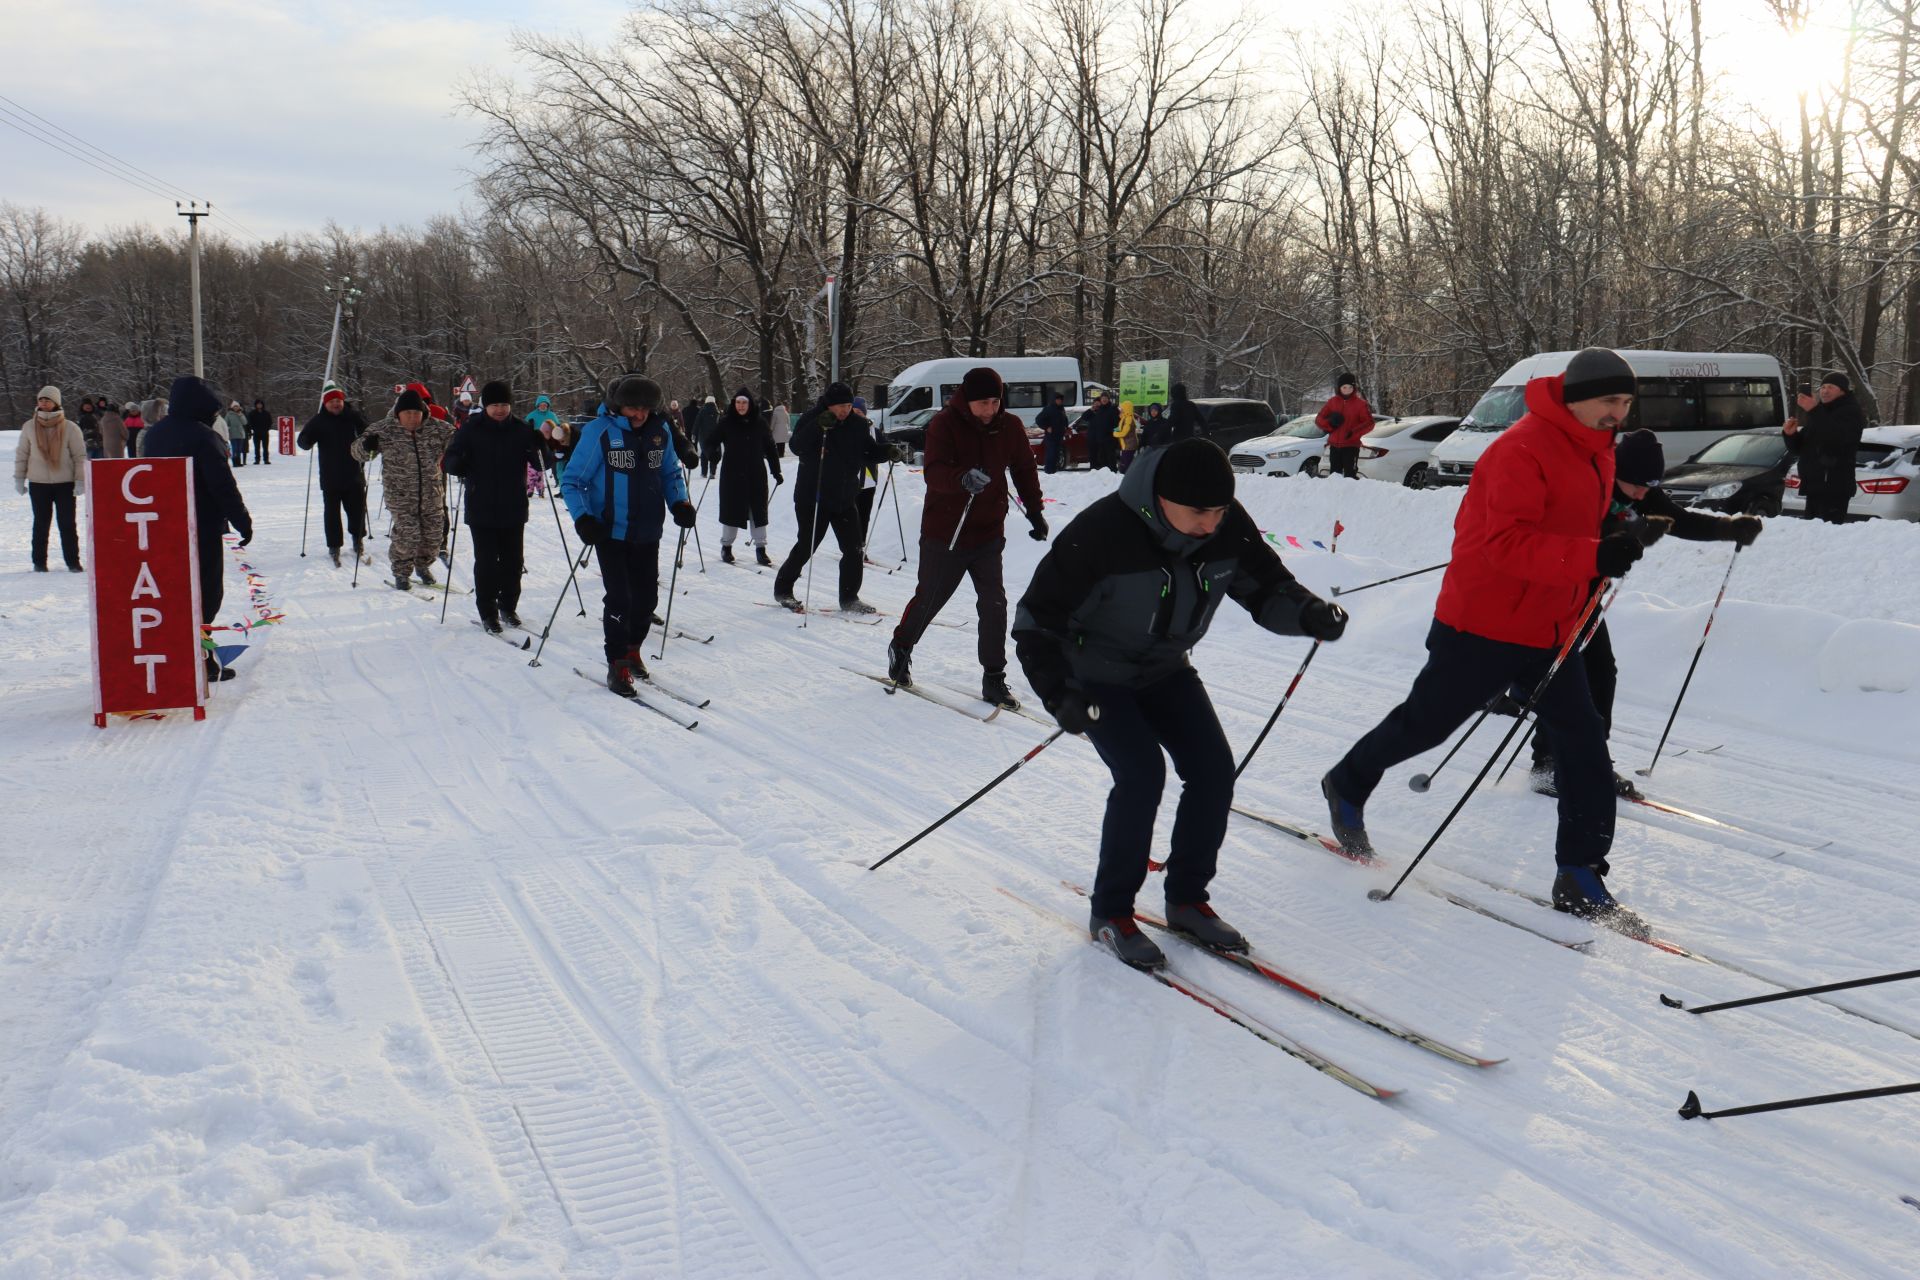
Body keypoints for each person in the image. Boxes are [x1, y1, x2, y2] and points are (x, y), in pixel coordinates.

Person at [1319, 348, 1670, 937]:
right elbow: (1500, 545)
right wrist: (1593, 554)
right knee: (1425, 726)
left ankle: (1579, 874)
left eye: (1627, 403)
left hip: (1553, 627)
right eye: (1611, 401)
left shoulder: (1598, 450)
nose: (1619, 414)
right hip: (1482, 623)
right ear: (1575, 397)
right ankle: (1348, 781)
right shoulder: (1520, 450)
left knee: (1583, 744)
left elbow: (1576, 525)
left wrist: (1619, 535)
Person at [1013, 438, 1346, 969]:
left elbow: (1268, 589)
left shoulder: (1225, 524)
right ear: (1160, 499)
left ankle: (1187, 898)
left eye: (1219, 510)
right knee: (1142, 774)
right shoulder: (1102, 534)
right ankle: (1111, 913)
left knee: (1214, 771)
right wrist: (1059, 692)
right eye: (1199, 512)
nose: (1212, 523)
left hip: (1165, 668)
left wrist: (1307, 614)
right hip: (1095, 674)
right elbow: (1037, 621)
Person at [1522, 429, 1764, 795]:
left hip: (1587, 596)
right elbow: (1577, 532)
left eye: (1648, 488)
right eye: (1634, 486)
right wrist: (1630, 530)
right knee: (1568, 676)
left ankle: (1588, 759)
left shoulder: (1645, 489)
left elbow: (1677, 519)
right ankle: (1549, 764)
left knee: (1600, 674)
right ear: (1616, 471)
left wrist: (1727, 528)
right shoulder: (1592, 486)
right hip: (1552, 592)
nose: (1640, 494)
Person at [888, 367, 1046, 709]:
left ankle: (994, 678)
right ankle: (901, 646)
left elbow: (1023, 468)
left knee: (994, 604)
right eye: (982, 403)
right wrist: (961, 479)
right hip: (947, 530)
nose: (990, 409)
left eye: (995, 401)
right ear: (967, 400)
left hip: (988, 530)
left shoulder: (1010, 426)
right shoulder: (945, 424)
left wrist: (1034, 511)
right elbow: (933, 471)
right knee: (931, 597)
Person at [561, 375, 696, 696]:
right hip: (610, 532)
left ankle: (634, 647)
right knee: (620, 597)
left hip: (648, 530)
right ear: (618, 406)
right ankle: (617, 662)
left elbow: (670, 473)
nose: (639, 415)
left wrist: (679, 502)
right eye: (632, 408)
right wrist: (584, 519)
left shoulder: (659, 432)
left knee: (647, 599)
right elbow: (572, 481)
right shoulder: (600, 433)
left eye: (645, 409)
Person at [137, 376, 254, 681]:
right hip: (200, 528)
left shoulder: (154, 435)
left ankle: (178, 657)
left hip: (162, 528)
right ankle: (199, 661)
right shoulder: (204, 436)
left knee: (175, 595)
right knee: (206, 595)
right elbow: (222, 485)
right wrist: (241, 520)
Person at [773, 382, 896, 614]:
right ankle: (783, 589)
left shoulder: (858, 425)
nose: (845, 410)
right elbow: (796, 446)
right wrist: (819, 426)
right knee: (807, 545)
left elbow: (868, 450)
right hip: (814, 496)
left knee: (854, 548)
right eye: (841, 406)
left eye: (849, 405)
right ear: (830, 404)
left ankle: (849, 597)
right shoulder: (813, 418)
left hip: (844, 497)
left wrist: (886, 451)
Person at [444, 381, 547, 633]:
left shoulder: (521, 429)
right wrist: (457, 463)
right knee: (487, 563)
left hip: (513, 506)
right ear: (485, 406)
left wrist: (539, 444)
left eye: (504, 404)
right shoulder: (471, 429)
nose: (500, 409)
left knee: (513, 562)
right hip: (481, 506)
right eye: (494, 405)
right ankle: (488, 612)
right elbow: (449, 459)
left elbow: (542, 465)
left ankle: (508, 606)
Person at [351, 388, 455, 590]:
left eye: (416, 413)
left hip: (431, 493)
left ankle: (423, 565)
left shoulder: (438, 428)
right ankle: (401, 572)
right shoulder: (383, 429)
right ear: (398, 413)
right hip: (400, 494)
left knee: (434, 535)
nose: (412, 417)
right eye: (407, 413)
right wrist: (366, 446)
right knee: (409, 534)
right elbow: (357, 454)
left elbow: (461, 441)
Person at [13, 386, 88, 572]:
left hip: (65, 483)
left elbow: (79, 456)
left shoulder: (70, 428)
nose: (43, 403)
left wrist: (80, 480)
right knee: (41, 523)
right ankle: (39, 562)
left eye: (47, 400)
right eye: (41, 400)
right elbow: (22, 454)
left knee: (67, 524)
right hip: (38, 483)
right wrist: (19, 477)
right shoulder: (29, 427)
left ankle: (73, 562)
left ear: (56, 403)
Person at [297, 383, 371, 568]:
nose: (336, 404)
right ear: (326, 403)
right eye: (332, 401)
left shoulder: (353, 417)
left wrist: (370, 442)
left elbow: (369, 432)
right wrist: (305, 441)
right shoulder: (319, 420)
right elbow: (304, 440)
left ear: (343, 401)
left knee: (357, 509)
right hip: (330, 475)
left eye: (338, 400)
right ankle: (334, 545)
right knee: (331, 513)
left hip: (354, 472)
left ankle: (358, 539)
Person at [713, 387, 782, 565]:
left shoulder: (760, 423)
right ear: (734, 404)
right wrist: (711, 454)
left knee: (757, 511)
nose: (741, 406)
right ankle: (726, 547)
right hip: (732, 475)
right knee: (731, 511)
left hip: (756, 474)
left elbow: (771, 448)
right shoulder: (726, 422)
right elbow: (710, 441)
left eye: (744, 402)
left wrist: (776, 470)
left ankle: (761, 548)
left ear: (750, 404)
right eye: (738, 402)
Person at [1783, 372, 1865, 523]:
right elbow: (1801, 448)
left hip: (1834, 485)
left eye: (1831, 387)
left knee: (1828, 535)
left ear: (1842, 391)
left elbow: (1835, 438)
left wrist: (1814, 410)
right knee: (1812, 534)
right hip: (1814, 484)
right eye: (1823, 387)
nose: (1825, 391)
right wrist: (1790, 435)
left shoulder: (1850, 411)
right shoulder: (1821, 411)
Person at [1315, 372, 1374, 478]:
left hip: (1351, 446)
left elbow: (1369, 423)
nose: (1347, 390)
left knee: (1350, 476)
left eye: (1350, 387)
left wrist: (1353, 433)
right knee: (1334, 476)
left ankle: (1351, 494)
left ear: (1354, 388)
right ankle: (1335, 494)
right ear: (1339, 388)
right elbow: (1319, 419)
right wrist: (1330, 424)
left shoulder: (1360, 404)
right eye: (1344, 387)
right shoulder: (1332, 402)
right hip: (1334, 446)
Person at [1078, 391, 1118, 471]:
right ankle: (1099, 472)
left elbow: (1117, 424)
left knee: (1110, 457)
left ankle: (1113, 473)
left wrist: (1114, 432)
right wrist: (1092, 409)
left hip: (1110, 438)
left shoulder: (1113, 409)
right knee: (1100, 458)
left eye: (1105, 398)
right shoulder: (1098, 411)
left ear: (1108, 399)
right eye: (1102, 398)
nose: (1104, 400)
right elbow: (1084, 417)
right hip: (1098, 439)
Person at [1037, 391, 1071, 473]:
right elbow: (1038, 419)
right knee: (1051, 454)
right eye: (1058, 399)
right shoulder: (1048, 408)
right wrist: (1046, 427)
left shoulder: (1061, 409)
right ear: (1054, 400)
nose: (1060, 401)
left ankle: (1054, 470)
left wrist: (1066, 427)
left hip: (1059, 435)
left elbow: (1064, 419)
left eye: (1061, 400)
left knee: (1056, 454)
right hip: (1051, 436)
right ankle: (1049, 471)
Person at [695, 395, 721, 480]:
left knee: (704, 453)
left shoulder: (702, 411)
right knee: (714, 452)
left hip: (703, 436)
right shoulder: (718, 412)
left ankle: (704, 472)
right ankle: (712, 473)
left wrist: (693, 433)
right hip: (715, 436)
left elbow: (697, 423)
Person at [221, 401, 249, 467]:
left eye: (237, 406)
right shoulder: (229, 414)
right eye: (234, 406)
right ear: (232, 407)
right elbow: (225, 423)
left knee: (239, 449)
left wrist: (240, 415)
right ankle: (235, 462)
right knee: (235, 448)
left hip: (240, 434)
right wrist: (229, 428)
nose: (236, 408)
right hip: (233, 434)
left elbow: (245, 422)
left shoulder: (241, 414)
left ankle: (239, 462)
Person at [1114, 399, 1139, 471]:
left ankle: (1127, 480)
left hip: (1129, 446)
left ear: (1126, 409)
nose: (1121, 410)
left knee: (1126, 467)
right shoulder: (1124, 418)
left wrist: (1115, 433)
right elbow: (1119, 428)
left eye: (1122, 408)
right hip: (1126, 445)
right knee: (1125, 465)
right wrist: (1113, 430)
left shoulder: (1128, 419)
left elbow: (1124, 432)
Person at [246, 399, 273, 464]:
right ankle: (257, 459)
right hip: (256, 432)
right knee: (257, 447)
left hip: (265, 432)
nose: (259, 405)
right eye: (258, 404)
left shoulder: (266, 413)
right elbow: (250, 422)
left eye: (260, 404)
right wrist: (253, 429)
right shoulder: (252, 413)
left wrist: (267, 428)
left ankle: (266, 459)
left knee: (265, 447)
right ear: (256, 405)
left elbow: (270, 422)